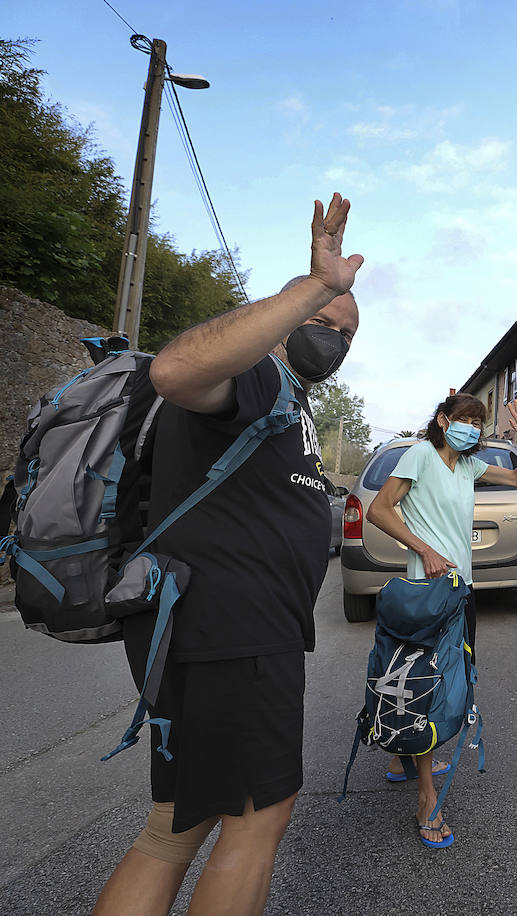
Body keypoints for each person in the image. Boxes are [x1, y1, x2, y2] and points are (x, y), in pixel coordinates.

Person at [94, 193, 363, 915]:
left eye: (347, 331)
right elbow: (177, 369)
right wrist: (315, 284)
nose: (334, 334)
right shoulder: (256, 375)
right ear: (280, 316)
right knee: (258, 817)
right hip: (233, 632)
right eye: (323, 320)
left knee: (175, 826)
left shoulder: (288, 399)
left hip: (210, 630)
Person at [365, 392, 517, 848]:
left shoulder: (469, 467)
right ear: (443, 421)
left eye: (477, 423)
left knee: (444, 677)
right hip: (430, 591)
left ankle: (398, 761)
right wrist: (422, 548)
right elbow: (379, 509)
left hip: (461, 592)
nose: (471, 428)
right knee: (431, 686)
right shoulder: (420, 455)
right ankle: (426, 799)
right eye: (463, 420)